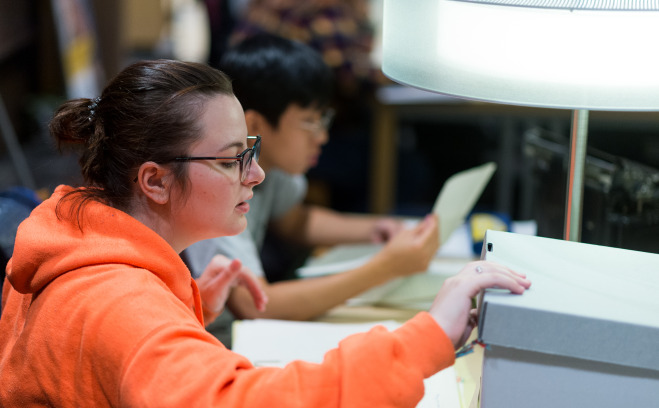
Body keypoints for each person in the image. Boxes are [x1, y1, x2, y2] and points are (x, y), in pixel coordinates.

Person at [0, 59, 531, 407]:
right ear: (155, 181)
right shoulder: (120, 303)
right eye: (234, 160)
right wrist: (430, 336)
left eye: (249, 153)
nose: (253, 175)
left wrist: (185, 308)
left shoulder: (70, 231)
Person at [183, 33, 439, 339]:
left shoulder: (270, 166)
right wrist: (384, 268)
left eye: (323, 120)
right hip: (216, 340)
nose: (321, 137)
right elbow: (254, 304)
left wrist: (376, 229)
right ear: (255, 125)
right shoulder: (214, 188)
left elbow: (296, 221)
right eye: (309, 122)